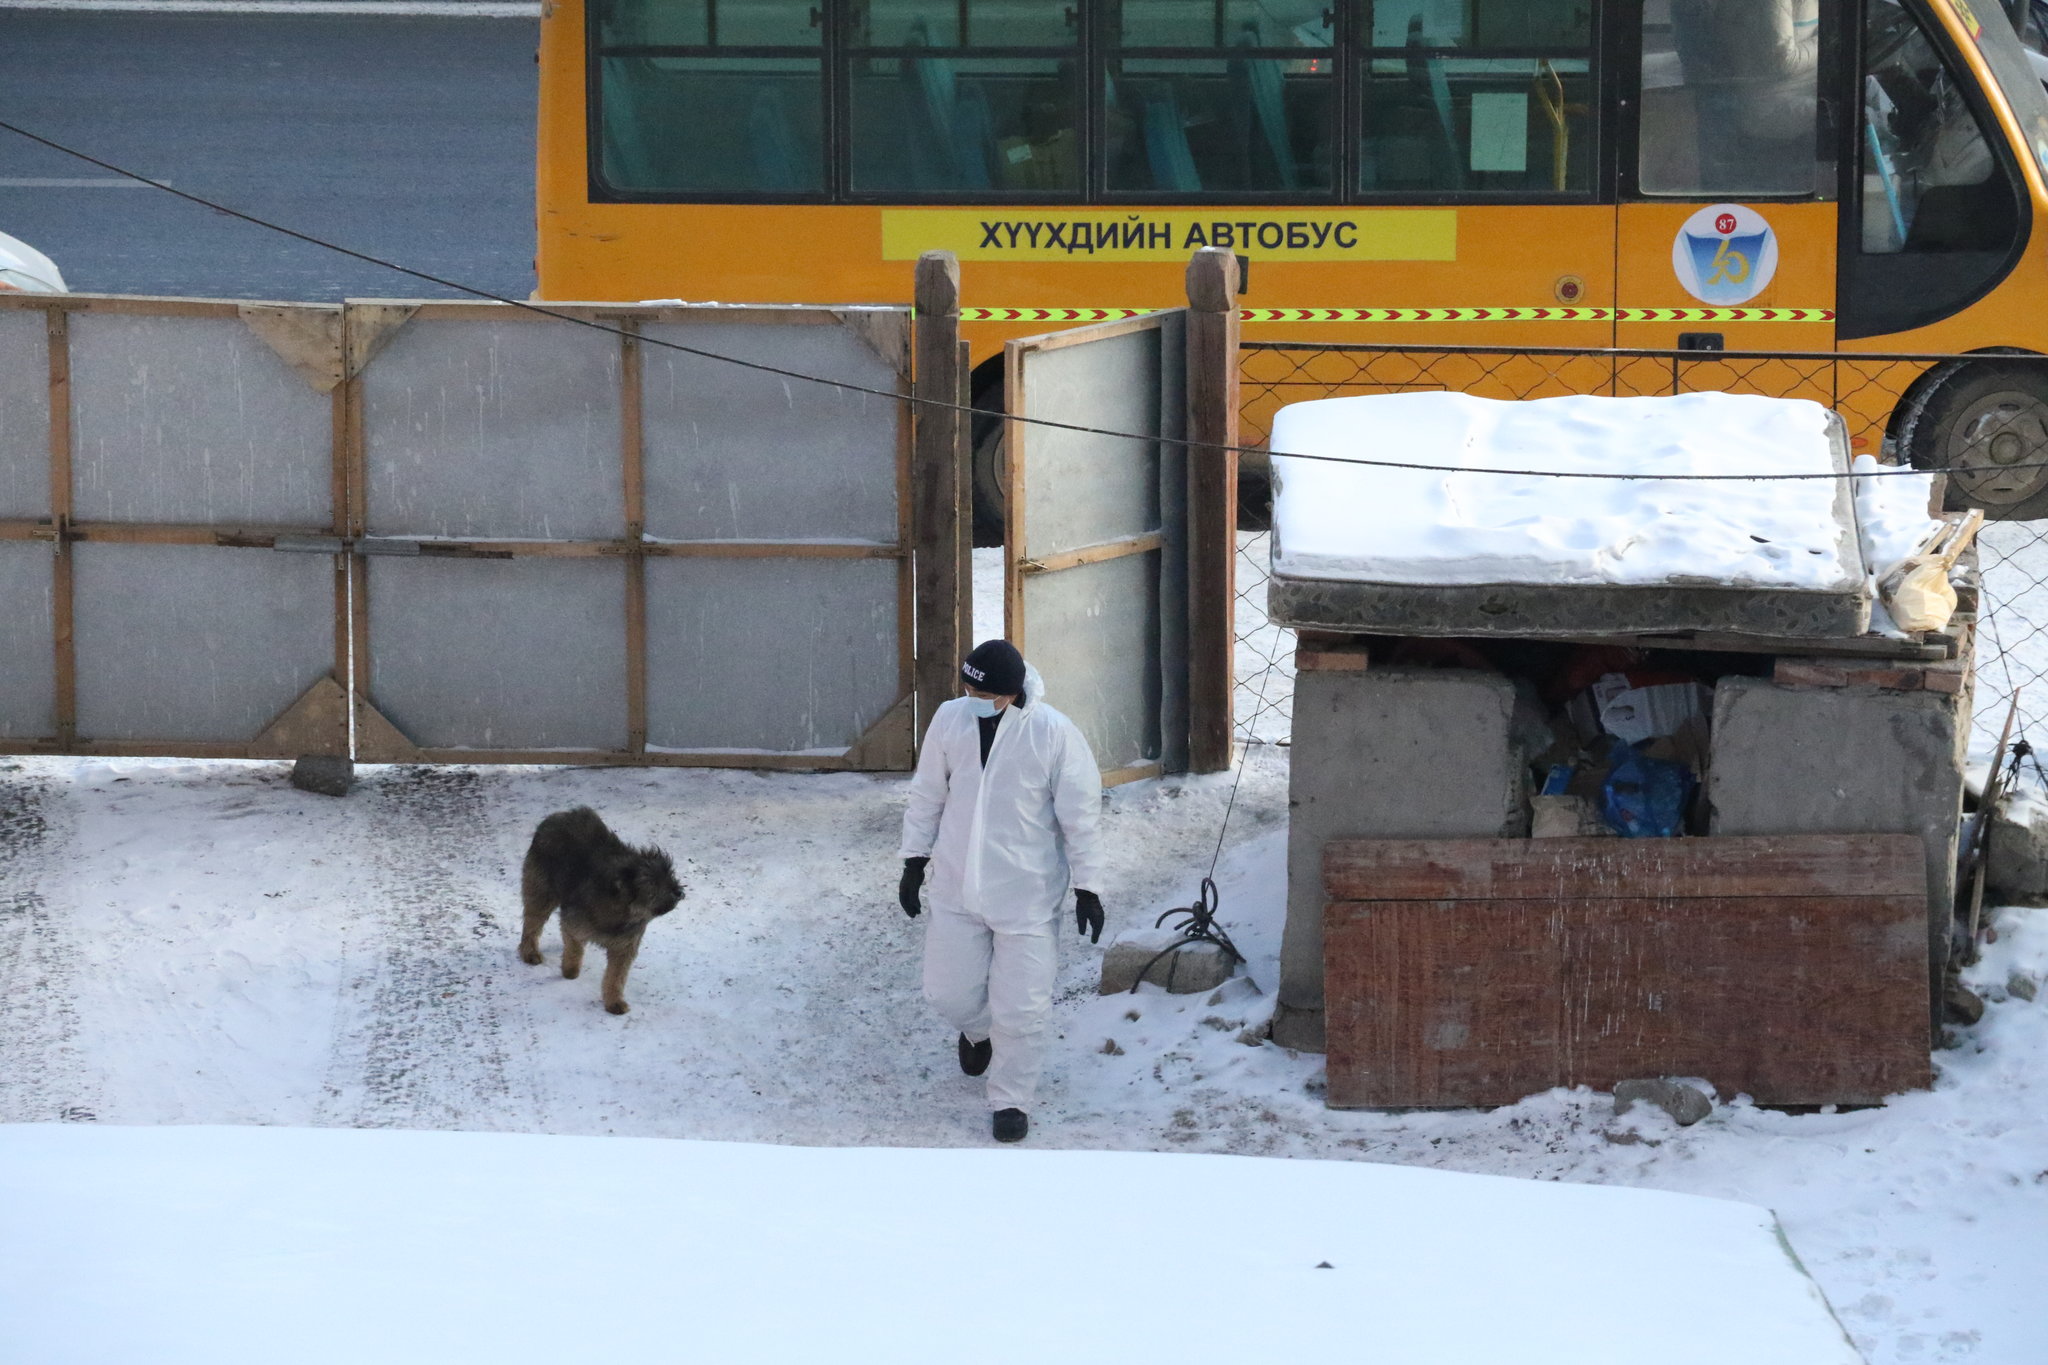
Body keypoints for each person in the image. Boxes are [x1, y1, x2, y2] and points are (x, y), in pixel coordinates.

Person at [896, 639, 1104, 1143]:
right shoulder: (950, 719)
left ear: (1011, 694)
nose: (971, 700)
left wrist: (1088, 887)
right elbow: (928, 794)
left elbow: (1081, 817)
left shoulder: (1053, 734)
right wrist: (914, 860)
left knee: (1023, 1007)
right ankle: (978, 1030)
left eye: (983, 695)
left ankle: (1011, 1098)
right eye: (968, 690)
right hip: (956, 885)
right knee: (947, 993)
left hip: (1027, 894)